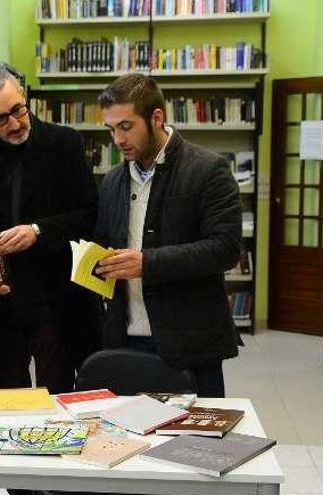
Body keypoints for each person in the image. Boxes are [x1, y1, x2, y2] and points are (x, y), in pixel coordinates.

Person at [0, 68, 99, 394]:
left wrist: (38, 231)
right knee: (0, 401)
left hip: (55, 296)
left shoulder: (66, 144)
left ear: (25, 98)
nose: (15, 124)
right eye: (1, 119)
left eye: (18, 110)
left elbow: (88, 214)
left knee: (60, 397)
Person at [93, 74, 242, 398]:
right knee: (128, 442)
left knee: (197, 446)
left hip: (190, 341)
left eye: (126, 126)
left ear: (156, 118)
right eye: (111, 129)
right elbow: (104, 241)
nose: (117, 139)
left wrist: (148, 263)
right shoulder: (113, 180)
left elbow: (226, 248)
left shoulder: (208, 169)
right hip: (125, 338)